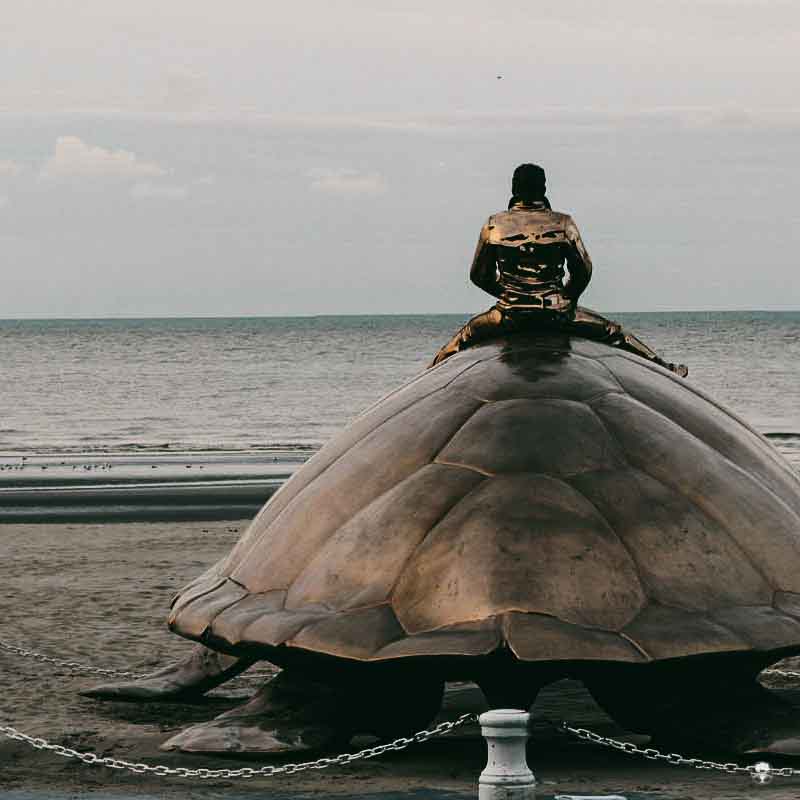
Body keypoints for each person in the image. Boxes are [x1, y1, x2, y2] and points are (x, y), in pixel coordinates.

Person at [431, 164, 688, 377]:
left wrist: (511, 295)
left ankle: (428, 372)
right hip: (557, 313)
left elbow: (478, 275)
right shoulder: (563, 223)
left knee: (463, 338)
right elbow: (583, 270)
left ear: (513, 189)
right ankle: (665, 368)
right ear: (543, 189)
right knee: (614, 333)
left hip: (508, 315)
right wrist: (564, 299)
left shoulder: (494, 225)